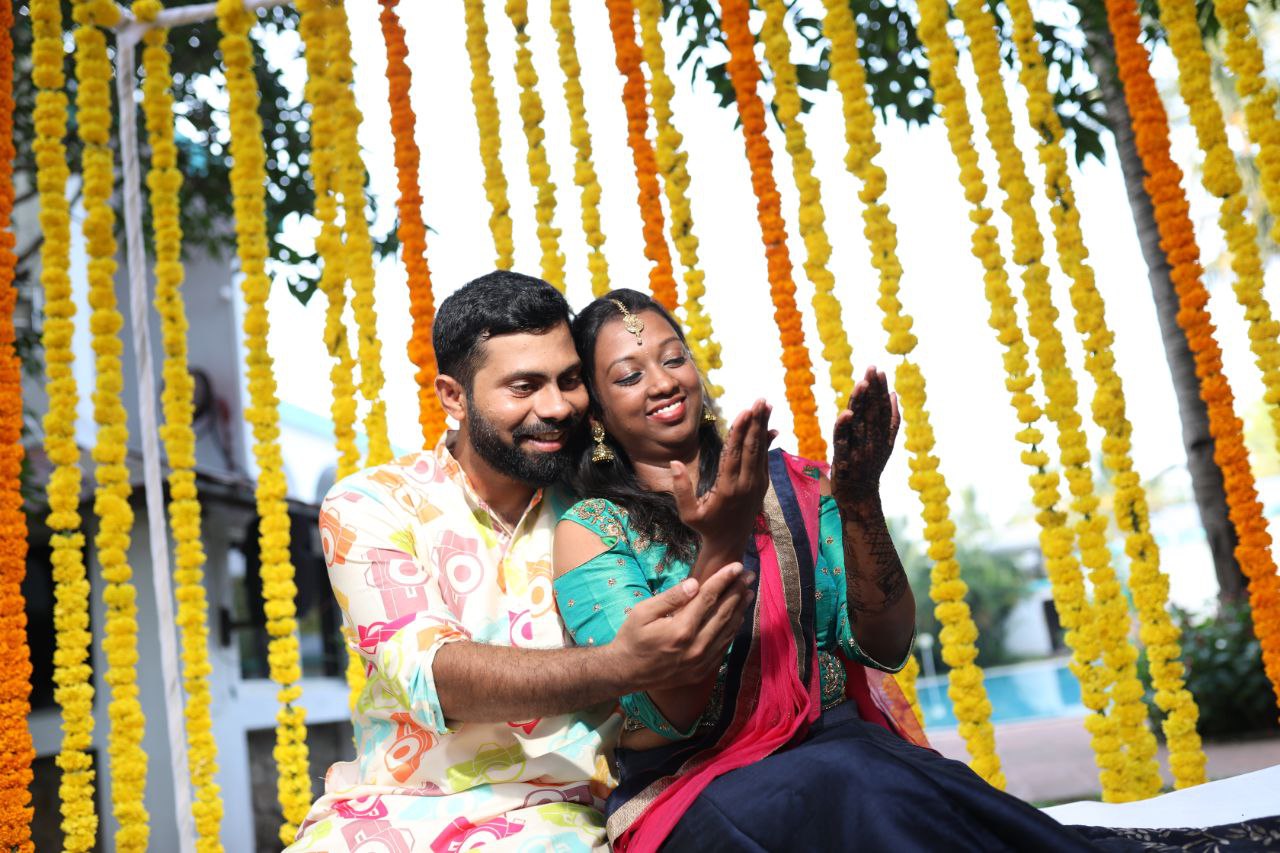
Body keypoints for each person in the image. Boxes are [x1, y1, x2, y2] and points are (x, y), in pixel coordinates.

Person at [551, 289, 1280, 853]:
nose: (661, 380)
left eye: (673, 356)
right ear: (598, 412)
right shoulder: (591, 532)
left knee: (918, 783)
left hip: (842, 755)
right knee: (859, 781)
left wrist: (861, 500)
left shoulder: (799, 484)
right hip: (694, 792)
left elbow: (886, 646)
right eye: (628, 373)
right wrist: (722, 543)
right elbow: (669, 709)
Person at [286, 272, 754, 853]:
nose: (557, 407)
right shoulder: (371, 504)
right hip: (390, 810)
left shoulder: (606, 507)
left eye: (570, 381)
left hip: (567, 816)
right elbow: (436, 678)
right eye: (525, 386)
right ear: (453, 397)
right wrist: (622, 664)